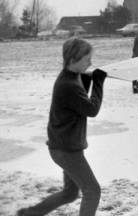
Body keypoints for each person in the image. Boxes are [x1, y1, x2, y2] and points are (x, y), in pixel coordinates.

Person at [17, 38, 107, 216]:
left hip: (64, 146)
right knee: (92, 191)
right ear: (73, 60)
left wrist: (88, 80)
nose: (91, 62)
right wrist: (98, 82)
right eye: (87, 59)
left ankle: (29, 214)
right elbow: (91, 109)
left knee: (70, 193)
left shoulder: (71, 77)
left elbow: (79, 100)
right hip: (66, 150)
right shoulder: (68, 84)